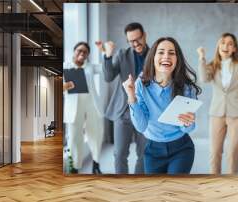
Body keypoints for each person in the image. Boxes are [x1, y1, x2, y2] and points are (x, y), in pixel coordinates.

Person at [122, 37, 202, 174]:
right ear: (153, 57)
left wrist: (188, 121)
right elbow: (141, 126)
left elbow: (188, 129)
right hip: (153, 150)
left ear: (177, 60)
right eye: (161, 52)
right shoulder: (141, 85)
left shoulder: (186, 87)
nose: (166, 56)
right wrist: (131, 97)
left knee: (174, 191)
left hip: (181, 149)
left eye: (172, 53)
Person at [197, 33, 238, 174]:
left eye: (230, 43)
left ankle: (232, 183)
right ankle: (215, 183)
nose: (225, 46)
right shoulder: (212, 65)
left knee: (233, 152)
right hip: (217, 112)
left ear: (234, 49)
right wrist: (201, 58)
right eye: (223, 42)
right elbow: (203, 79)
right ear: (219, 46)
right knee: (214, 151)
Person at [100, 22, 148, 174]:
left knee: (144, 154)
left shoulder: (156, 55)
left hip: (146, 111)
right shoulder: (122, 54)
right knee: (119, 153)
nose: (135, 43)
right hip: (123, 111)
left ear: (144, 35)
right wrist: (107, 56)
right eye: (131, 41)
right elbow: (108, 77)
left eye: (138, 39)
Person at [63, 41, 104, 174]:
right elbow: (58, 87)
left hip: (91, 105)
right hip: (74, 108)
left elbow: (105, 67)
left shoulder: (90, 67)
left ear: (88, 55)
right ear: (74, 51)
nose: (81, 53)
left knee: (95, 135)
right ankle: (75, 166)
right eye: (79, 50)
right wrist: (65, 86)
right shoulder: (65, 66)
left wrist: (103, 51)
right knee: (74, 138)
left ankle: (96, 163)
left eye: (85, 52)